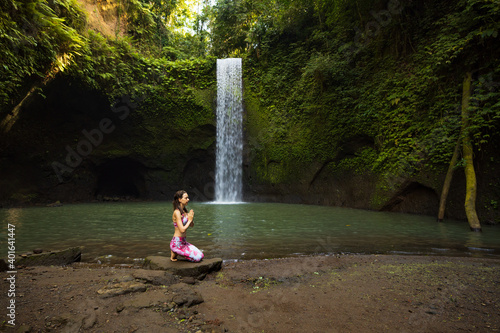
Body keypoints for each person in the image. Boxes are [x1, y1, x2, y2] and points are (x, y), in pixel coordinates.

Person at [170, 190, 204, 262]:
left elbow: (191, 225)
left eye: (188, 198)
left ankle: (176, 252)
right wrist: (189, 220)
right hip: (177, 243)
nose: (188, 199)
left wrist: (191, 218)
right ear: (179, 199)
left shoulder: (185, 211)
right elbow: (182, 230)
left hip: (184, 242)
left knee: (201, 255)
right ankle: (174, 250)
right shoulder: (177, 212)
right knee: (197, 259)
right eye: (186, 198)